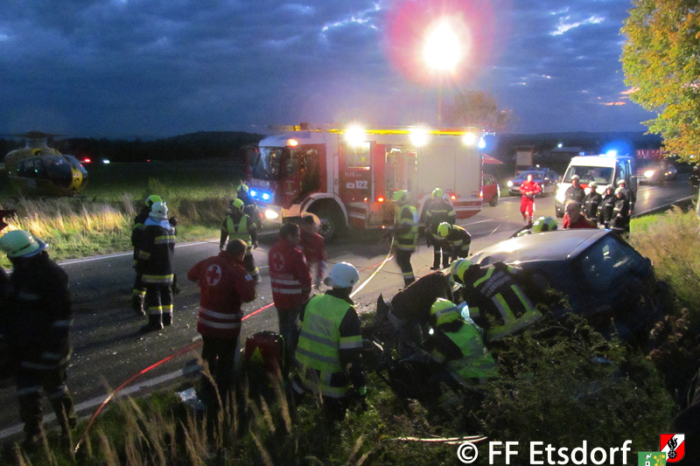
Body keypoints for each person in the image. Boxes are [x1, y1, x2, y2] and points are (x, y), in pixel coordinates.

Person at [0, 230, 77, 447]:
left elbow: (64, 317)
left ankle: (68, 429)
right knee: (27, 393)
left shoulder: (52, 275)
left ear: (17, 254)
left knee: (56, 391)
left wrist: (53, 351)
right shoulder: (20, 274)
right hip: (24, 349)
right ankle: (34, 434)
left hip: (50, 348)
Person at [292, 262, 366, 422]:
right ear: (349, 287)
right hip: (330, 382)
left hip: (303, 371)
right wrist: (361, 388)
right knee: (334, 422)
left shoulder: (312, 302)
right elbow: (351, 358)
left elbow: (298, 332)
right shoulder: (348, 313)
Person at [188, 239, 257, 409]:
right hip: (226, 327)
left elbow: (191, 274)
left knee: (208, 354)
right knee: (225, 361)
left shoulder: (208, 262)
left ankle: (206, 387)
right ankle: (222, 395)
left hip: (205, 322)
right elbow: (250, 295)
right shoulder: (237, 270)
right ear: (241, 254)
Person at [451, 259, 543, 342]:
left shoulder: (470, 290)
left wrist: (492, 323)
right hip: (535, 319)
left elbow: (477, 318)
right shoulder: (499, 267)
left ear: (459, 277)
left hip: (507, 335)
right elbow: (524, 276)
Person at [422, 299, 498, 392]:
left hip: (472, 378)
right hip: (490, 370)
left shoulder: (444, 338)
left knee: (434, 379)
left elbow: (434, 363)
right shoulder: (469, 325)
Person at [380, 269, 454, 354]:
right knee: (415, 345)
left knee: (418, 339)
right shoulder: (439, 286)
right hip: (403, 314)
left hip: (402, 309)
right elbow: (443, 307)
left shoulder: (438, 277)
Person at [268, 223, 311, 361]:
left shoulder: (272, 251)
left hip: (279, 297)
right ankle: (292, 358)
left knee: (283, 326)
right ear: (288, 236)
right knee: (293, 327)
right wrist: (306, 294)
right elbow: (305, 278)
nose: (299, 238)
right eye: (297, 236)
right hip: (294, 299)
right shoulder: (296, 254)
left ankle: (282, 354)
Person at [137, 201, 176, 332]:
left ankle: (155, 322)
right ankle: (167, 318)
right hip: (168, 269)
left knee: (153, 294)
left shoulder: (151, 230)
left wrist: (140, 266)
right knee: (166, 293)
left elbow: (144, 252)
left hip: (153, 270)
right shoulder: (171, 228)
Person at [130, 194, 163, 316]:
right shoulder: (142, 218)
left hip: (152, 253)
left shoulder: (155, 216)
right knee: (142, 278)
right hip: (142, 253)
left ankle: (146, 302)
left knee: (148, 278)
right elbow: (136, 238)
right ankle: (137, 302)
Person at [220, 198, 260, 283]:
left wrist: (255, 241)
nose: (232, 210)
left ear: (239, 209)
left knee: (249, 264)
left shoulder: (247, 219)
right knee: (232, 265)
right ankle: (233, 280)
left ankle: (255, 278)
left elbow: (253, 231)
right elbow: (224, 233)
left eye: (234, 208)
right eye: (232, 208)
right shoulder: (227, 220)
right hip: (233, 248)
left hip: (246, 247)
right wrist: (222, 243)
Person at [391, 190, 418, 287]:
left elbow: (406, 228)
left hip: (406, 242)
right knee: (404, 263)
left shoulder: (405, 210)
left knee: (404, 263)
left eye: (396, 200)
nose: (395, 203)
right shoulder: (408, 209)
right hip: (408, 241)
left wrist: (394, 232)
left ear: (401, 200)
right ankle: (410, 283)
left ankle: (410, 285)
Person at [424, 188, 456, 270]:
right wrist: (427, 227)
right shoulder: (431, 206)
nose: (436, 200)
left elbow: (453, 219)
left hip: (445, 231)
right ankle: (436, 265)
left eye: (438, 198)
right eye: (435, 198)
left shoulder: (448, 206)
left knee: (445, 249)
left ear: (441, 198)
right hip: (435, 231)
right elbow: (428, 217)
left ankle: (445, 264)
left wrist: (448, 227)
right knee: (436, 250)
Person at [299, 214, 327, 289]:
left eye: (310, 227)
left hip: (306, 272)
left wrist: (319, 277)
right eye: (306, 227)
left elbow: (321, 261)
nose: (309, 229)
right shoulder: (297, 238)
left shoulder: (318, 240)